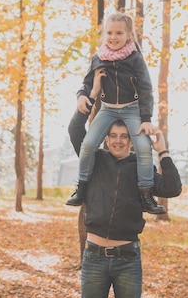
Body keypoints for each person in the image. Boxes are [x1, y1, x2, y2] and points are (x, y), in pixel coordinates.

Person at [68, 118, 182, 298]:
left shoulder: (140, 168)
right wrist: (87, 99)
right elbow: (75, 132)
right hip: (93, 257)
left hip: (127, 260)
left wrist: (162, 151)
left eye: (123, 136)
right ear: (105, 139)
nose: (118, 140)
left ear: (132, 141)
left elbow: (172, 187)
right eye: (113, 135)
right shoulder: (93, 161)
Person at [66, 12, 166, 215]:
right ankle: (82, 188)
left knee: (143, 148)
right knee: (88, 145)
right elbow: (86, 82)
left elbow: (146, 89)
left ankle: (146, 195)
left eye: (119, 33)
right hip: (108, 109)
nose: (113, 37)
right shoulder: (99, 57)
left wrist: (146, 119)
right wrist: (81, 96)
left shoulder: (135, 59)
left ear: (128, 34)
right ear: (104, 34)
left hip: (132, 109)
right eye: (109, 32)